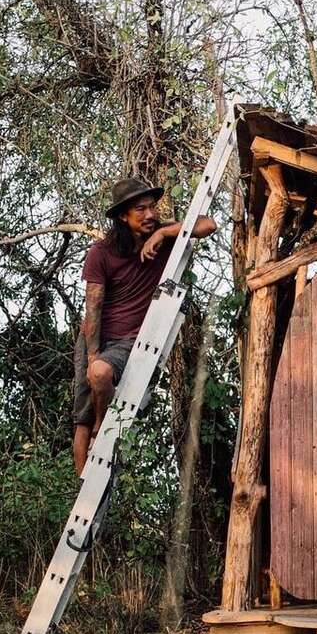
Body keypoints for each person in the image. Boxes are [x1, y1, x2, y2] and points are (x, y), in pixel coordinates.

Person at [72, 177, 217, 475]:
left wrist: (164, 232)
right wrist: (91, 354)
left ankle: (104, 425)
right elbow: (94, 306)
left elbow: (208, 224)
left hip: (129, 341)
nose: (150, 215)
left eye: (152, 207)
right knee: (81, 420)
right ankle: (82, 490)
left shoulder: (163, 235)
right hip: (94, 337)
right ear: (123, 216)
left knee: (101, 376)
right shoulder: (102, 252)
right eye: (141, 209)